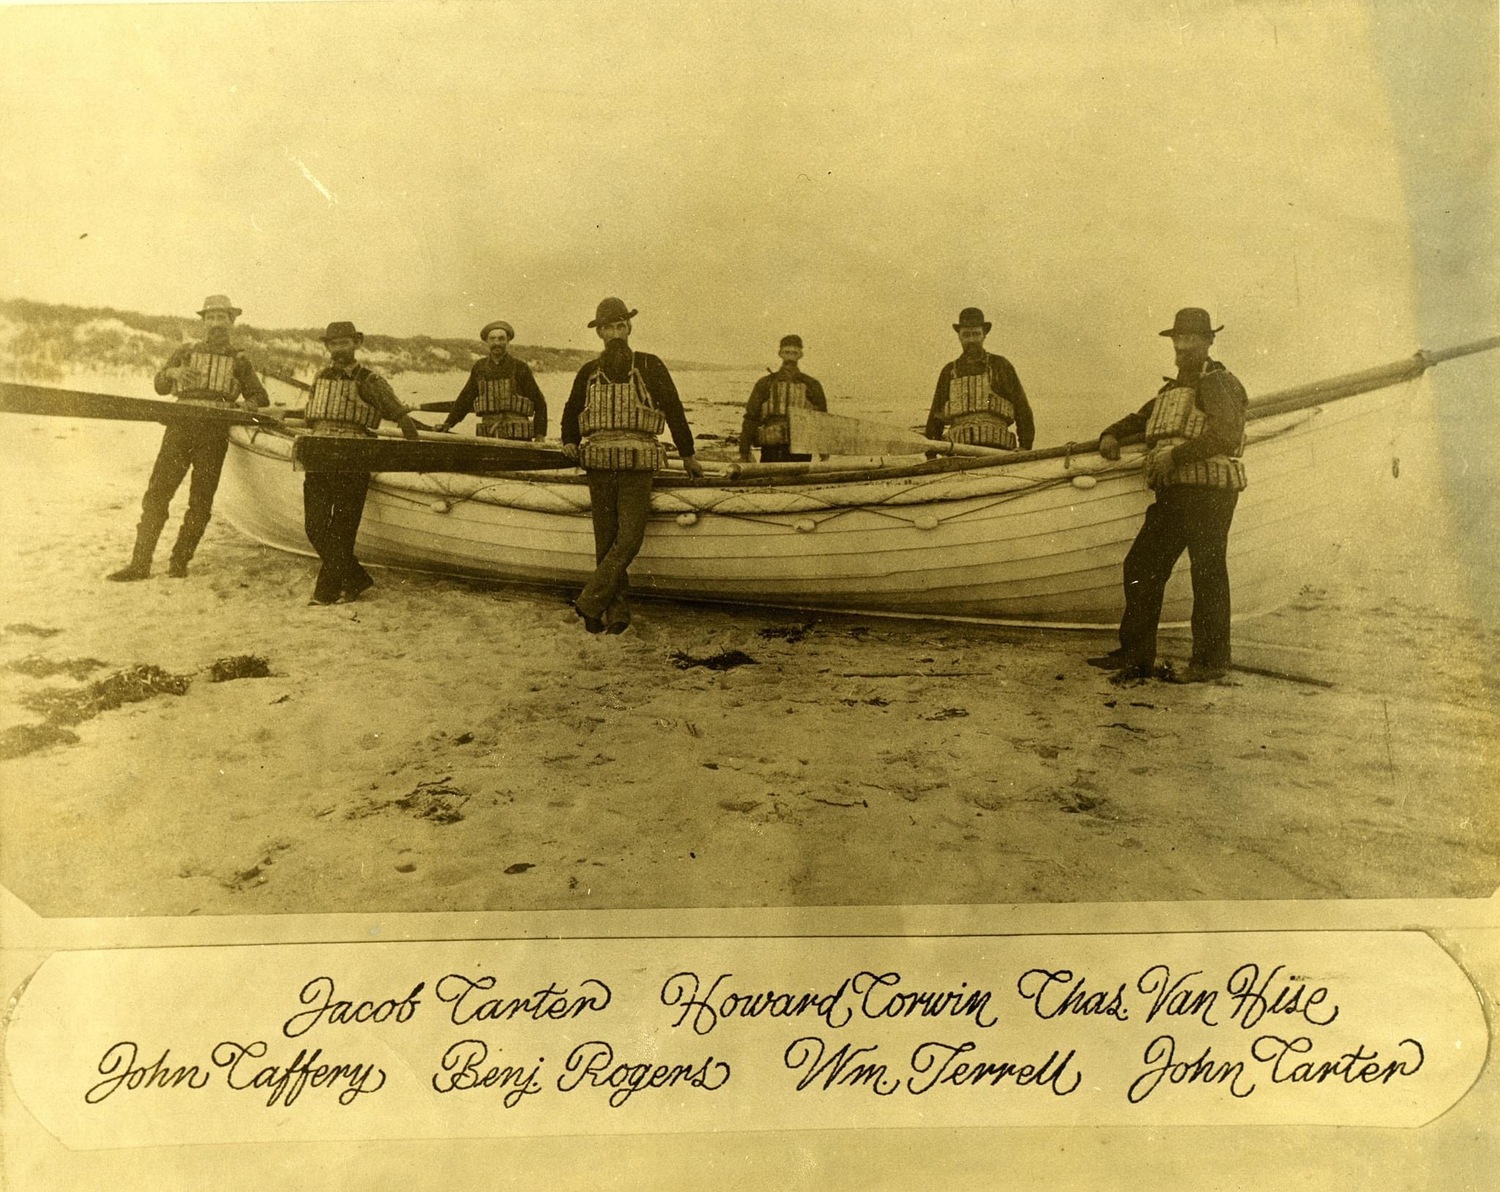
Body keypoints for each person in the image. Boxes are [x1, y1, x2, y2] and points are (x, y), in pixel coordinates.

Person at [1087, 307, 1249, 683]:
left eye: (1192, 339)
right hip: (1175, 493)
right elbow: (1138, 420)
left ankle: (1210, 663)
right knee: (1142, 566)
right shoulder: (1170, 390)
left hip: (1209, 493)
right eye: (1179, 339)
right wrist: (1109, 434)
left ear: (1209, 342)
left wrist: (1175, 455)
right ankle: (1136, 655)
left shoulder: (1220, 383)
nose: (1183, 346)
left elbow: (1226, 434)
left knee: (1208, 573)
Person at [560, 297, 704, 634]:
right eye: (608, 328)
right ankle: (617, 614)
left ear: (629, 328)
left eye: (620, 326)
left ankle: (589, 601)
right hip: (597, 464)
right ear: (599, 334)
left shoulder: (651, 365)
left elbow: (673, 408)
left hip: (638, 465)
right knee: (606, 540)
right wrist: (568, 440)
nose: (615, 333)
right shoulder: (588, 372)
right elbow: (570, 411)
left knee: (629, 539)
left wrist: (688, 453)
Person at [107, 295, 269, 581]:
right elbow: (159, 386)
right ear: (203, 322)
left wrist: (248, 404)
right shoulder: (185, 352)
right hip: (179, 430)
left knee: (201, 501)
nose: (216, 323)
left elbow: (260, 397)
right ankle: (140, 564)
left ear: (231, 323)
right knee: (157, 495)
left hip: (213, 435)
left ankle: (179, 562)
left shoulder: (240, 361)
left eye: (222, 318)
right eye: (211, 318)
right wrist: (172, 372)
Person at [300, 320, 422, 605]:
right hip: (318, 455)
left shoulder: (370, 381)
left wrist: (416, 451)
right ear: (328, 347)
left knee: (342, 528)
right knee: (315, 527)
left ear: (356, 344)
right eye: (334, 343)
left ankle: (326, 593)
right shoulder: (320, 378)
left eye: (345, 342)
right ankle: (356, 579)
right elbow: (310, 415)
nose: (339, 348)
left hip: (354, 457)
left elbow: (400, 416)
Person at [924, 307, 1035, 451]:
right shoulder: (949, 372)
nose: (971, 340)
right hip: (958, 452)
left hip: (999, 453)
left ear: (984, 335)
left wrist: (1025, 447)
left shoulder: (1000, 366)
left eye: (976, 334)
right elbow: (935, 418)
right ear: (959, 336)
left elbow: (1023, 411)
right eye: (966, 335)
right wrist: (931, 455)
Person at [439, 320, 548, 440]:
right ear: (486, 341)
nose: (497, 343)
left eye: (501, 339)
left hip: (517, 437)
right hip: (488, 435)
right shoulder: (479, 368)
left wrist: (540, 435)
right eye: (492, 339)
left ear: (508, 341)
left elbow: (540, 403)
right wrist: (448, 423)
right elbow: (465, 399)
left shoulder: (520, 367)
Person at [738, 334, 828, 463]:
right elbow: (751, 417)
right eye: (787, 352)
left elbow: (822, 420)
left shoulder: (812, 385)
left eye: (794, 353)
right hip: (771, 448)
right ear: (780, 354)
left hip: (801, 448)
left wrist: (824, 452)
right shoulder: (765, 383)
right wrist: (744, 452)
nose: (790, 356)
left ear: (800, 355)